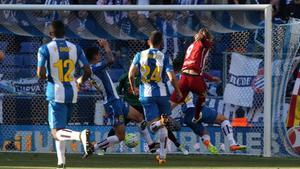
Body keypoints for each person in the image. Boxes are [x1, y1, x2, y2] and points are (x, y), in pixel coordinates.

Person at [82, 40, 157, 156]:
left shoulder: (92, 69)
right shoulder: (94, 68)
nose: (101, 56)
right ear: (96, 56)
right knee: (120, 137)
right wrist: (106, 46)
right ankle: (93, 147)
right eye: (99, 55)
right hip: (112, 103)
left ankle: (151, 145)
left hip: (116, 101)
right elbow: (111, 60)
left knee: (139, 117)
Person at [36, 20, 92, 169]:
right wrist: (79, 81)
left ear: (50, 34)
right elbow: (87, 71)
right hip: (72, 92)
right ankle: (61, 162)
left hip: (55, 92)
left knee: (56, 132)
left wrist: (48, 77)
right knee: (62, 128)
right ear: (65, 33)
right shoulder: (76, 48)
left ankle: (79, 136)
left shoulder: (45, 49)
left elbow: (40, 73)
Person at [168, 58, 247, 153]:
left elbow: (172, 100)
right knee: (223, 120)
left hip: (186, 116)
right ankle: (232, 144)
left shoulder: (171, 82)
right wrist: (211, 79)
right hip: (196, 109)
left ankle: (209, 144)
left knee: (204, 133)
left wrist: (166, 114)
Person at [128, 31, 182, 164]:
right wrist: (178, 90)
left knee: (153, 127)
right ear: (161, 43)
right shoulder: (164, 56)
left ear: (148, 42)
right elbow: (171, 76)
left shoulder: (139, 55)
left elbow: (131, 74)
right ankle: (162, 157)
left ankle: (160, 122)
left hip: (146, 94)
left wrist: (133, 86)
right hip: (162, 94)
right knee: (164, 127)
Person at [117, 72, 189, 155]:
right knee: (118, 126)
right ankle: (103, 148)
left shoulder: (146, 77)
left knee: (162, 124)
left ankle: (178, 145)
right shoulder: (125, 77)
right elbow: (119, 93)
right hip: (131, 107)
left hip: (144, 106)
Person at [170, 28, 218, 123]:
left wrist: (210, 78)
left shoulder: (191, 46)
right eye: (210, 39)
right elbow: (206, 43)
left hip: (184, 76)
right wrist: (203, 37)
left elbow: (194, 67)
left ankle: (160, 118)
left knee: (174, 101)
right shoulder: (204, 44)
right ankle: (196, 116)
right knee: (203, 94)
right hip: (194, 77)